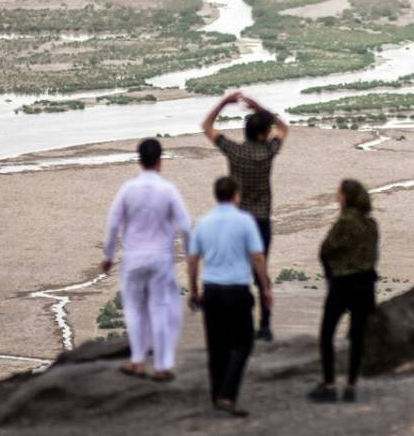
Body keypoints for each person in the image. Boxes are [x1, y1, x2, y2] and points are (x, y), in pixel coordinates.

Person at [100, 137, 192, 381]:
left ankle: (138, 361)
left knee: (134, 308)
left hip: (132, 257)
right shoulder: (168, 189)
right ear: (160, 160)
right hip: (161, 258)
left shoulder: (128, 189)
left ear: (139, 160)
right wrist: (190, 254)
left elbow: (112, 225)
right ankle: (162, 366)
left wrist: (108, 256)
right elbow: (185, 226)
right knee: (159, 307)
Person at [203, 91, 288, 341]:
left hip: (236, 220)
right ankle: (265, 325)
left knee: (237, 270)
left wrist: (222, 103)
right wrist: (259, 106)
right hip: (261, 221)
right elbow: (283, 127)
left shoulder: (235, 151)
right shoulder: (268, 151)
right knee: (261, 271)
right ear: (263, 134)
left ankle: (240, 324)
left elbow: (207, 126)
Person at [187, 176, 273, 417]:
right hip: (237, 289)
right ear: (236, 195)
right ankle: (227, 394)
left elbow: (193, 260)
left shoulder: (203, 223)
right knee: (244, 343)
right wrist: (265, 287)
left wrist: (193, 289)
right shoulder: (245, 221)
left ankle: (218, 395)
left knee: (217, 345)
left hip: (212, 289)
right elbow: (257, 256)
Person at [308, 179, 380, 404]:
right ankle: (351, 385)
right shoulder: (371, 224)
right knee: (357, 336)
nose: (336, 196)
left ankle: (329, 385)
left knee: (327, 333)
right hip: (366, 285)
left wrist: (331, 272)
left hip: (343, 284)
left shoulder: (344, 222)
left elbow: (326, 250)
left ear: (346, 197)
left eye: (339, 193)